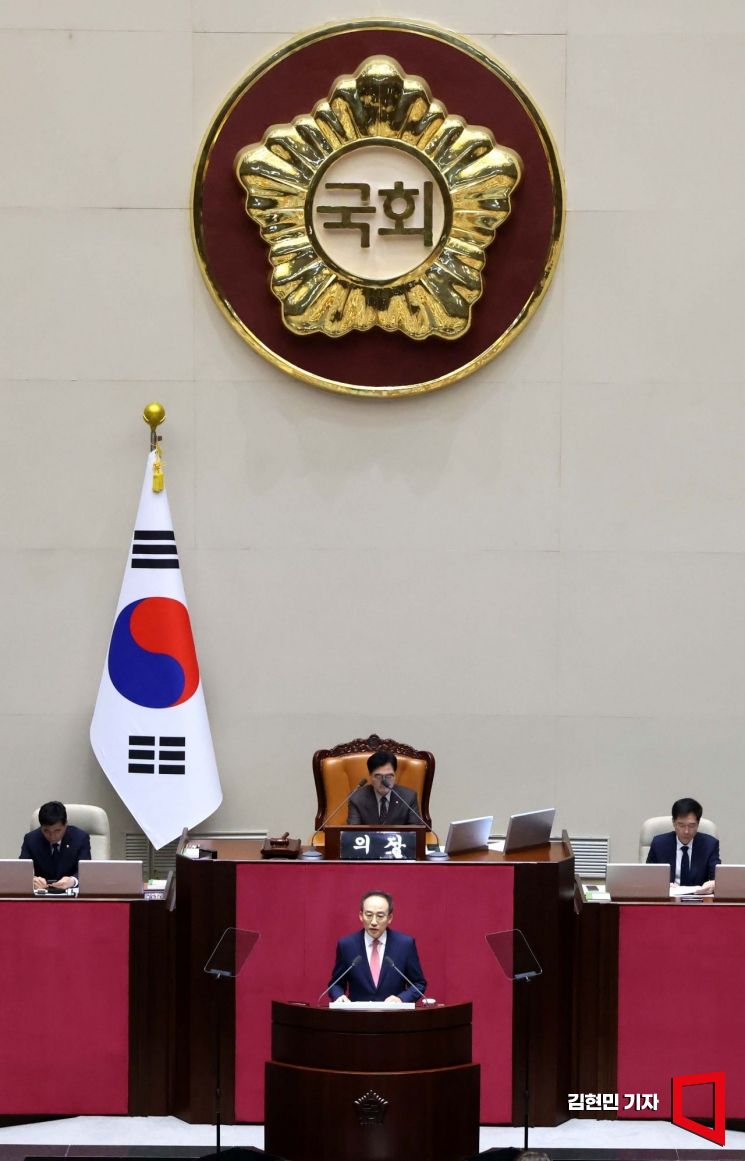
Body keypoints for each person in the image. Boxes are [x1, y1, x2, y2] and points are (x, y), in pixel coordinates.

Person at [327, 890, 426, 1004]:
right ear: (361, 916)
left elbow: (419, 984)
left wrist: (401, 998)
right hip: (358, 1018)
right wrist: (339, 996)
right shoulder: (347, 945)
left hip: (395, 1017)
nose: (373, 922)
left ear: (389, 918)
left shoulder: (405, 944)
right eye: (368, 915)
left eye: (380, 916)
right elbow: (336, 984)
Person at [646, 797, 720, 892]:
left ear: (698, 824)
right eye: (681, 825)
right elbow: (648, 878)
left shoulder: (710, 845)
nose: (686, 831)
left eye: (691, 826)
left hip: (699, 901)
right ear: (673, 823)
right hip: (668, 900)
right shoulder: (659, 844)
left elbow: (717, 878)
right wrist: (661, 885)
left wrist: (714, 884)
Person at [20, 801, 91, 891]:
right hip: (41, 893)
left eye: (57, 830)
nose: (52, 836)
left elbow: (85, 871)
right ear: (41, 827)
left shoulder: (80, 838)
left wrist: (73, 881)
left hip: (71, 894)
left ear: (65, 825)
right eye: (46, 831)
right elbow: (22, 870)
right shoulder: (31, 839)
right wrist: (32, 879)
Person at [346, 750, 421, 826]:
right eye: (378, 776)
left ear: (395, 775)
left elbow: (415, 832)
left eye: (389, 776)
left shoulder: (409, 798)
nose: (384, 781)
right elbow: (353, 832)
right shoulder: (356, 799)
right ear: (370, 776)